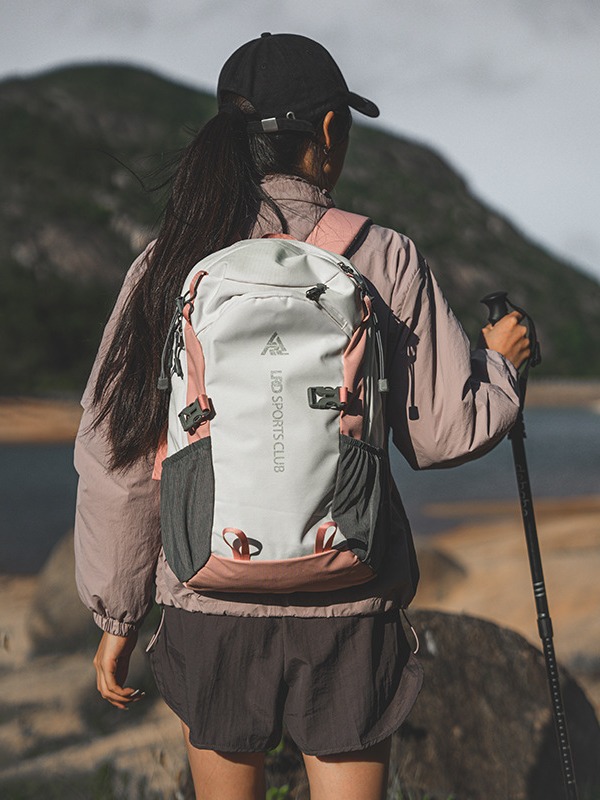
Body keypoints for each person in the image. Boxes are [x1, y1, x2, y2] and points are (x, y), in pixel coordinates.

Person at [74, 33, 530, 800]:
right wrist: (503, 366)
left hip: (209, 595)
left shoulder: (169, 261)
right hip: (348, 598)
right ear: (327, 132)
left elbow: (116, 454)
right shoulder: (384, 257)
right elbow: (442, 432)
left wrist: (118, 616)